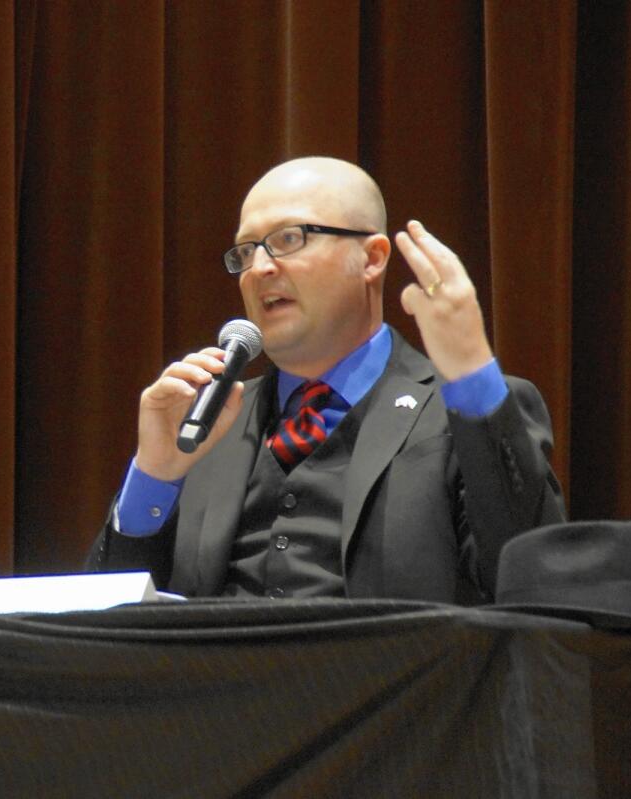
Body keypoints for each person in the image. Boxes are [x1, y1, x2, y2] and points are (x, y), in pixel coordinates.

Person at [87, 156, 566, 603]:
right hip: (214, 687)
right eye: (246, 250)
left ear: (372, 258)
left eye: (290, 238)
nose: (260, 267)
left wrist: (471, 371)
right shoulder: (206, 424)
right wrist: (154, 475)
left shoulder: (462, 410)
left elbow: (532, 588)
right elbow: (102, 639)